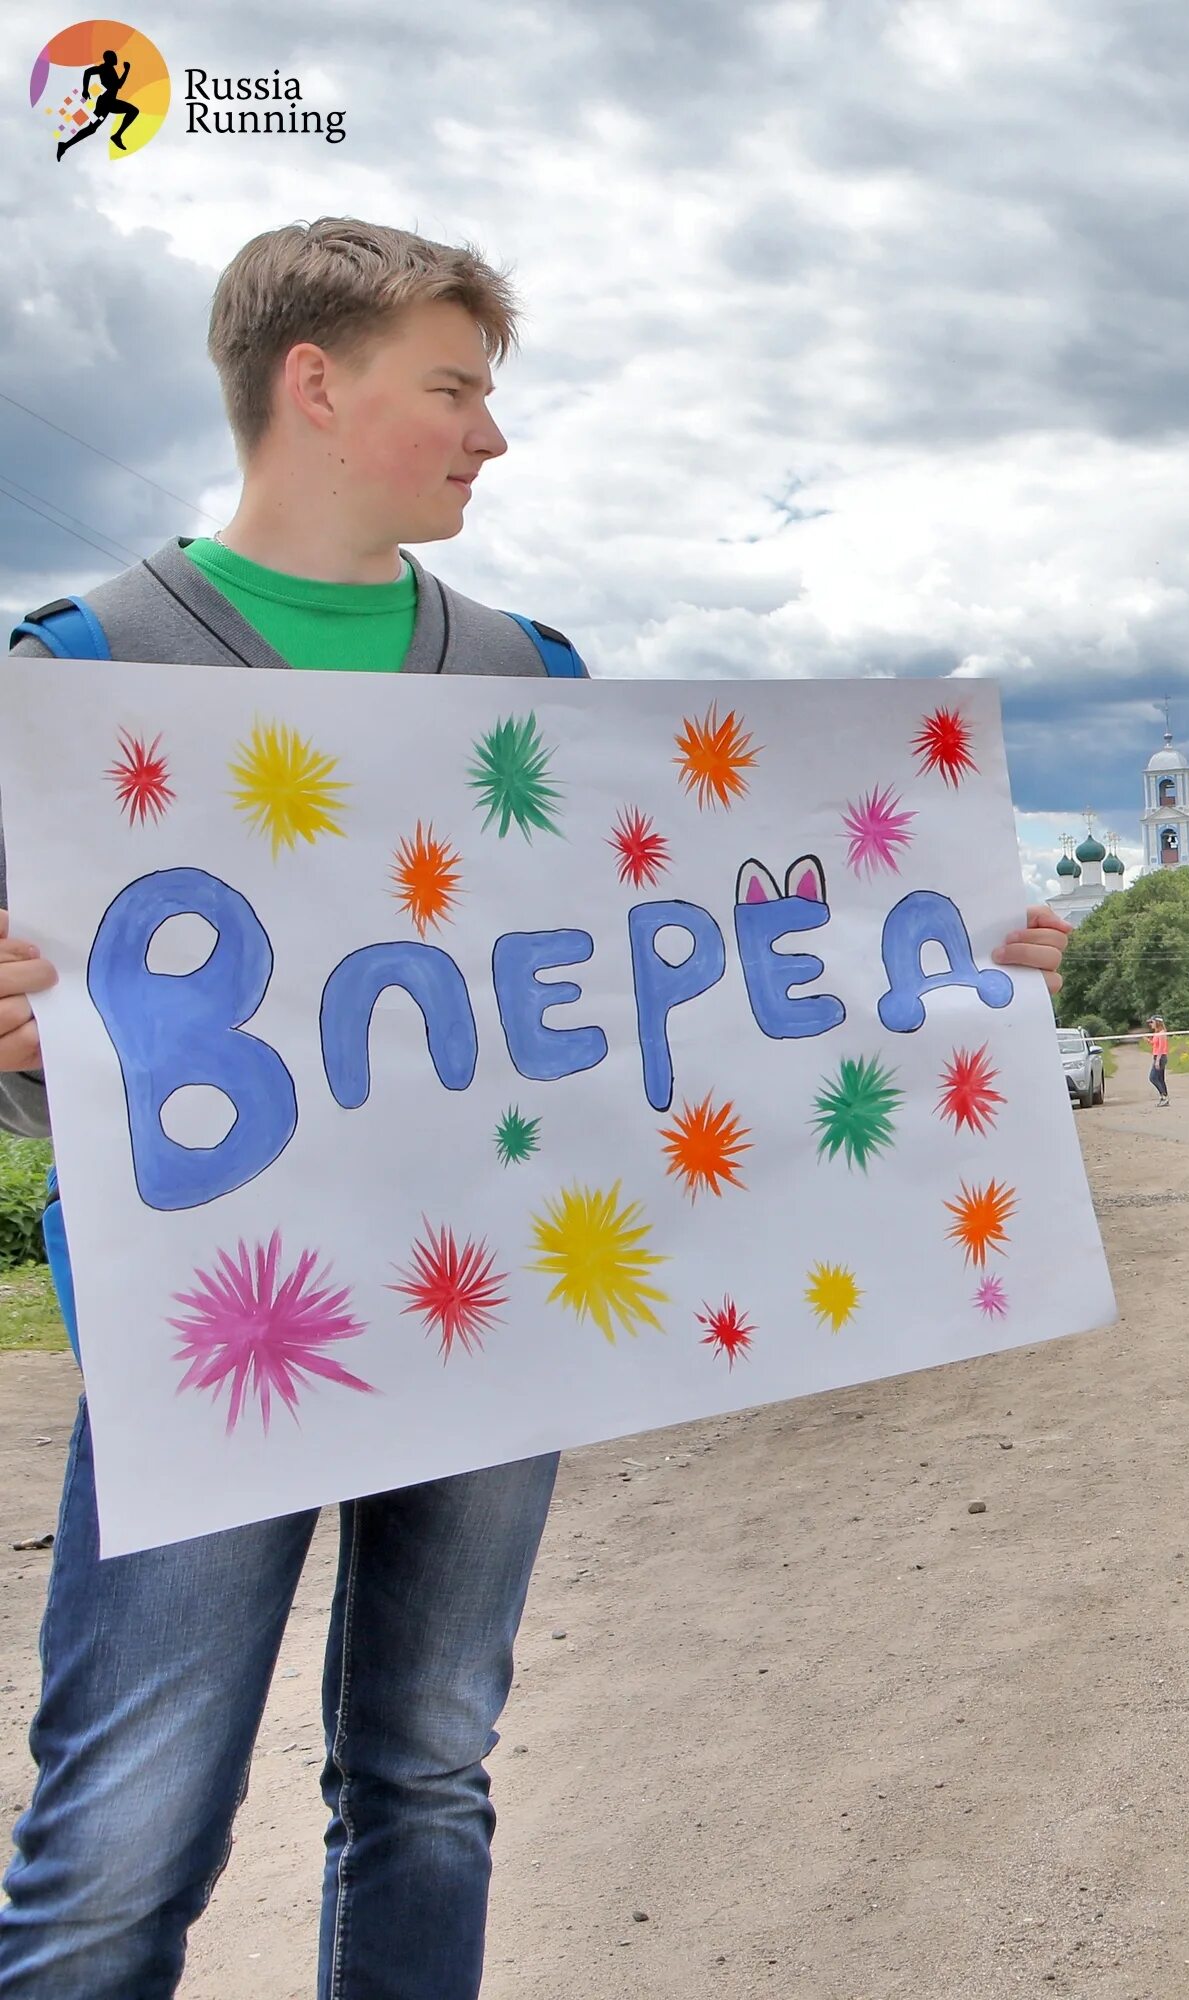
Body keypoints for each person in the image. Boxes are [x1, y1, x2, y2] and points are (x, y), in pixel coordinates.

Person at [0, 217, 1075, 1997]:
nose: (490, 436)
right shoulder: (68, 672)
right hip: (218, 1323)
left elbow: (691, 963)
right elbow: (60, 1072)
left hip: (488, 1302)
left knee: (428, 1769)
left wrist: (948, 946)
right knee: (119, 1840)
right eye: (456, 389)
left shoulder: (533, 680)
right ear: (315, 385)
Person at [1147, 1015, 1173, 1104]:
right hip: (1157, 1056)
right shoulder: (1157, 1033)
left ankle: (1164, 1096)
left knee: (1153, 1078)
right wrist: (1148, 1041)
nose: (1150, 1024)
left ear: (1157, 1023)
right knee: (1160, 1079)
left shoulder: (1162, 1033)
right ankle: (1164, 1097)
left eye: (1152, 1022)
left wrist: (1157, 1060)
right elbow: (1155, 1044)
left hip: (1160, 1057)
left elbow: (1161, 1048)